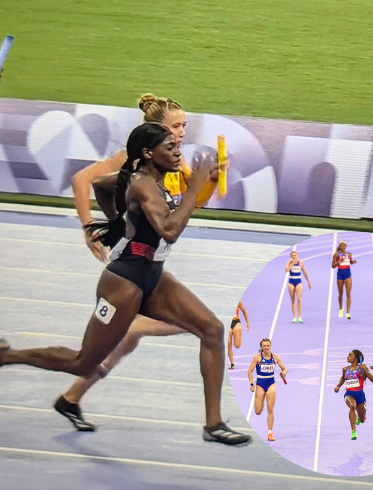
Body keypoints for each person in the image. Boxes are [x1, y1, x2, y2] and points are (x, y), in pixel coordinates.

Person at [0, 123, 250, 445]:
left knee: (212, 330)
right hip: (125, 282)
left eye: (177, 146)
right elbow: (169, 230)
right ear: (148, 153)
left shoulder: (146, 179)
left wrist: (117, 222)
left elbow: (102, 186)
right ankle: (9, 356)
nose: (178, 152)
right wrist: (192, 190)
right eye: (170, 147)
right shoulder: (143, 185)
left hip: (154, 276)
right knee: (83, 363)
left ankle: (213, 424)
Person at [54, 93, 223, 431]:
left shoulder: (173, 161)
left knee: (132, 336)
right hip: (128, 262)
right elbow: (84, 180)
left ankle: (72, 397)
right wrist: (94, 227)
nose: (182, 133)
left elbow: (190, 203)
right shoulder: (130, 161)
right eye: (176, 127)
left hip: (153, 263)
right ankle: (64, 383)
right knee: (152, 329)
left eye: (184, 126)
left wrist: (210, 183)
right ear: (156, 130)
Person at [247, 339, 286, 442]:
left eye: (267, 345)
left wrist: (284, 373)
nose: (266, 347)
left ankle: (270, 432)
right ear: (261, 347)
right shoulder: (257, 357)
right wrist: (251, 384)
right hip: (260, 385)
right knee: (258, 411)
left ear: (270, 346)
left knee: (270, 409)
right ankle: (262, 399)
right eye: (264, 346)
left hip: (271, 384)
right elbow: (250, 371)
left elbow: (284, 369)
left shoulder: (275, 358)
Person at [335, 349, 373, 440]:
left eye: (350, 355)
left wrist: (365, 370)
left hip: (360, 396)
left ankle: (359, 419)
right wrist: (338, 386)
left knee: (362, 420)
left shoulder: (362, 369)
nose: (347, 357)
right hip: (349, 394)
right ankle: (353, 431)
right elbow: (343, 378)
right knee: (352, 405)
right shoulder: (345, 369)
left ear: (356, 358)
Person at [331, 240, 356, 319]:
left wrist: (353, 262)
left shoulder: (349, 254)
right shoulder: (336, 254)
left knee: (348, 294)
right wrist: (339, 262)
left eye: (344, 245)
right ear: (339, 246)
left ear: (346, 246)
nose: (343, 247)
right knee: (340, 294)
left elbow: (350, 262)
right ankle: (341, 308)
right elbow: (332, 266)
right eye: (341, 245)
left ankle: (348, 313)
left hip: (348, 275)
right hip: (340, 275)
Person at [286, 251, 311, 323]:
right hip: (291, 282)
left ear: (297, 256)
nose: (294, 256)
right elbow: (286, 270)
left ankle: (299, 316)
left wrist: (308, 282)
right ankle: (294, 317)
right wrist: (292, 264)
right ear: (291, 257)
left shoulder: (301, 263)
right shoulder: (289, 262)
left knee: (299, 299)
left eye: (295, 255)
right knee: (293, 300)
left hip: (298, 282)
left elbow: (305, 273)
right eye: (293, 255)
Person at [229, 301, 249, 370]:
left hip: (236, 322)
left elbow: (244, 311)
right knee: (229, 344)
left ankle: (239, 338)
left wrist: (247, 323)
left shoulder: (238, 302)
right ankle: (232, 363)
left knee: (237, 345)